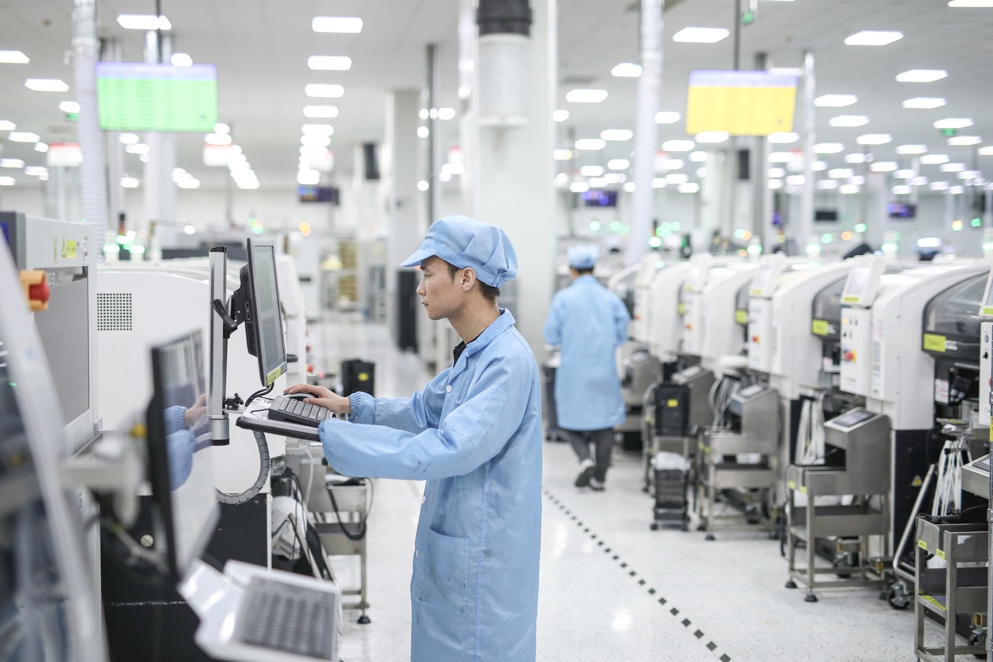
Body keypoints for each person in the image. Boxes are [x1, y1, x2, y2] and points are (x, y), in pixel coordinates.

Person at [284, 214, 543, 661]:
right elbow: (424, 410)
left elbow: (451, 448)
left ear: (466, 278)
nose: (420, 289)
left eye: (428, 274)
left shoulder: (505, 363)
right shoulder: (477, 352)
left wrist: (337, 441)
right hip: (460, 547)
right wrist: (349, 407)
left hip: (484, 562)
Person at [543, 244, 630, 491]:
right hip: (604, 371)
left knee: (569, 420)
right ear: (595, 268)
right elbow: (623, 329)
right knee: (605, 424)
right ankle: (600, 479)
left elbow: (551, 335)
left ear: (571, 270)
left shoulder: (563, 298)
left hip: (574, 371)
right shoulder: (609, 298)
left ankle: (584, 460)